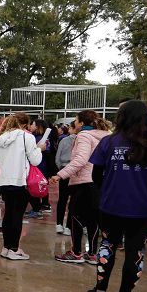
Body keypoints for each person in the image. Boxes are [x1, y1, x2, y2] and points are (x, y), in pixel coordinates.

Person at [85, 100, 147, 292]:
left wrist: (109, 189)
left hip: (111, 204)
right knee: (135, 252)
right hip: (143, 207)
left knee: (107, 244)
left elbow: (95, 175)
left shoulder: (109, 142)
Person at [51, 111, 111, 264]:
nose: (75, 124)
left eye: (76, 120)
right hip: (99, 181)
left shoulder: (84, 136)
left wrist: (61, 174)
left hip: (83, 181)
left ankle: (76, 252)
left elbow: (81, 159)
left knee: (75, 216)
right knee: (93, 219)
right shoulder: (107, 136)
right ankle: (92, 253)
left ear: (82, 123)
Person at [0, 112, 42, 260]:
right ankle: (14, 248)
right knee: (17, 215)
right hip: (21, 181)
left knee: (8, 214)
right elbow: (35, 160)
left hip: (4, 181)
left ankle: (6, 247)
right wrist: (40, 149)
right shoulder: (27, 137)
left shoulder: (0, 139)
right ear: (25, 124)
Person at [54, 124, 76, 235]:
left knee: (62, 198)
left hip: (64, 168)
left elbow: (57, 158)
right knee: (73, 200)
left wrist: (60, 169)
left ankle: (59, 224)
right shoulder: (83, 140)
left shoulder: (64, 140)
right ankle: (68, 226)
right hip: (76, 170)